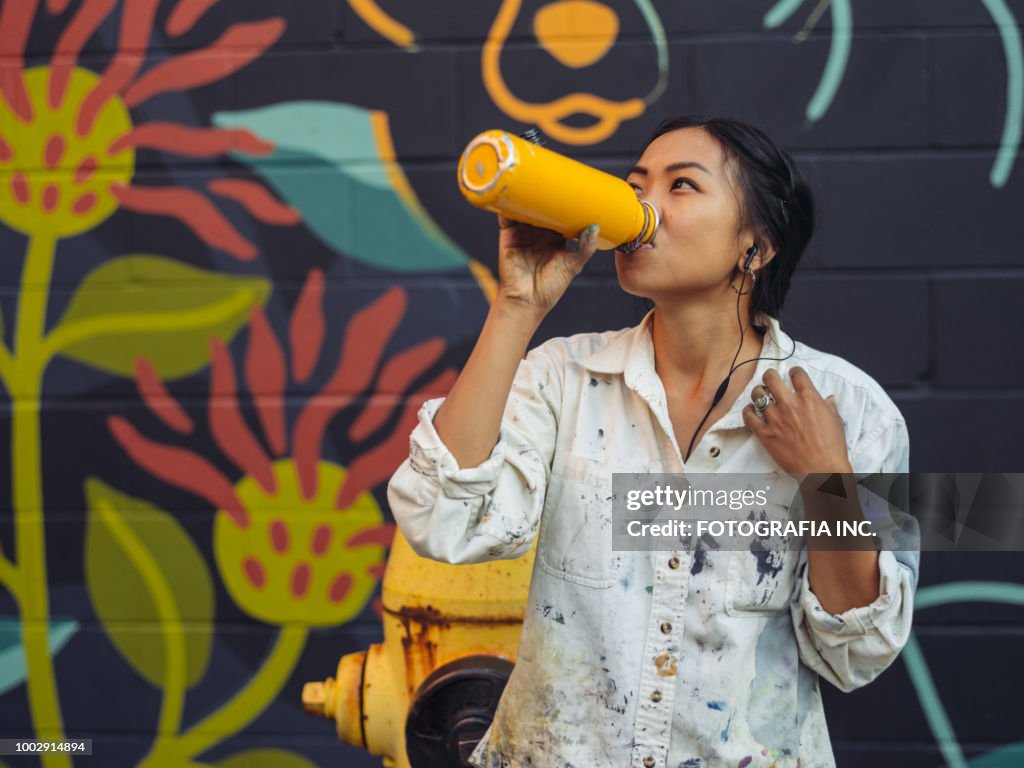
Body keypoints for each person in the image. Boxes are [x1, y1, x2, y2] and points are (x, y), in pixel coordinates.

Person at [387, 115, 919, 768]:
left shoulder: (850, 411)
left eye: (682, 186)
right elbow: (443, 520)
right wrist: (516, 306)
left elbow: (854, 653)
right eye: (637, 183)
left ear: (755, 246)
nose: (642, 205)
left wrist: (826, 478)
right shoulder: (564, 380)